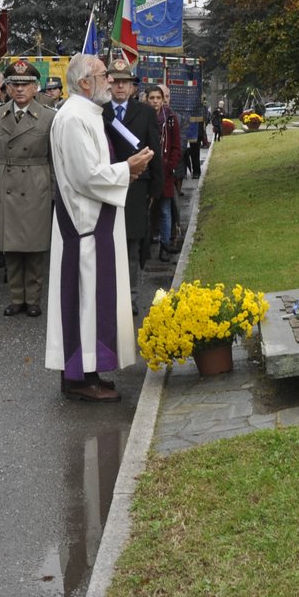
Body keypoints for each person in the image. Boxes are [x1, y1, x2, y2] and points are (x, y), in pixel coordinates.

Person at [45, 54, 154, 402]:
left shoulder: (86, 114)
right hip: (85, 225)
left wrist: (126, 171)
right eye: (105, 75)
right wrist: (127, 169)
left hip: (94, 221)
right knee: (85, 301)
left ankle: (87, 373)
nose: (111, 80)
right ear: (85, 83)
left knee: (93, 298)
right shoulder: (74, 118)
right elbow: (85, 176)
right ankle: (80, 378)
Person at [0, 59, 55, 317]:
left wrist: (54, 192)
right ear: (7, 87)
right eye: (15, 84)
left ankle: (33, 299)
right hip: (6, 183)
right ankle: (16, 298)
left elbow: (53, 158)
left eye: (26, 85)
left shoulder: (49, 117)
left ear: (36, 88)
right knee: (10, 247)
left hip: (36, 183)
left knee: (34, 248)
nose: (20, 90)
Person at [102, 62, 161, 312]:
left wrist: (156, 190)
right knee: (107, 244)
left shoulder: (145, 112)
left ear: (133, 86)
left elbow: (154, 151)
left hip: (137, 187)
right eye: (115, 82)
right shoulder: (99, 111)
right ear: (108, 84)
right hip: (106, 183)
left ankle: (131, 297)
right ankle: (109, 296)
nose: (120, 86)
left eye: (125, 82)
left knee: (132, 245)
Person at [145, 83, 182, 261]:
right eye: (152, 98)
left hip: (165, 172)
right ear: (147, 99)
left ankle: (165, 246)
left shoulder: (171, 119)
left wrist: (169, 165)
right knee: (147, 209)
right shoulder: (142, 116)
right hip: (147, 171)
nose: (155, 101)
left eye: (158, 98)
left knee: (166, 210)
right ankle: (144, 245)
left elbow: (176, 145)